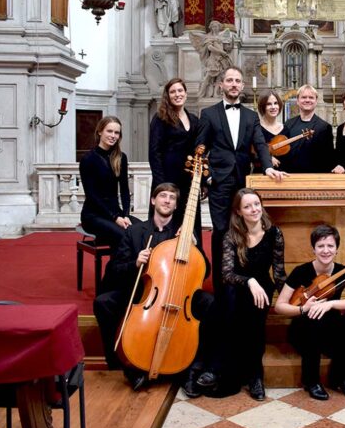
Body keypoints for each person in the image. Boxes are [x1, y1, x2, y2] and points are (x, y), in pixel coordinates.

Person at [93, 183, 217, 394]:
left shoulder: (183, 233)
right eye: (163, 196)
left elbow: (203, 271)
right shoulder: (134, 232)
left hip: (177, 296)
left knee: (209, 303)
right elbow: (113, 270)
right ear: (153, 201)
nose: (167, 200)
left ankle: (194, 367)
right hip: (142, 293)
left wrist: (194, 247)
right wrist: (136, 262)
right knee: (103, 303)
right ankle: (127, 365)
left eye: (172, 198)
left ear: (176, 205)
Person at [196, 66, 286, 295]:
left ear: (242, 86)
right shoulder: (208, 114)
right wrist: (207, 178)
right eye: (229, 80)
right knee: (220, 231)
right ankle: (220, 287)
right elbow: (199, 149)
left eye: (237, 80)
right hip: (219, 181)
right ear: (222, 85)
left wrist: (267, 168)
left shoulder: (250, 115)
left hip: (242, 182)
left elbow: (260, 144)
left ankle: (240, 280)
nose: (234, 84)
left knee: (242, 232)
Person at [274, 224, 345, 400]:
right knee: (314, 314)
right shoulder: (300, 271)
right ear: (313, 249)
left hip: (329, 332)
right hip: (304, 330)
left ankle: (342, 378)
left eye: (330, 246)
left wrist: (330, 304)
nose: (325, 250)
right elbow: (280, 306)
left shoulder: (342, 271)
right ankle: (312, 381)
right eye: (320, 246)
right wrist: (303, 308)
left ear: (337, 249)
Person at [218, 188, 286, 401]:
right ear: (239, 211)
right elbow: (227, 274)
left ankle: (255, 376)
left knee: (254, 311)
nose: (254, 209)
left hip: (262, 289)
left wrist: (290, 296)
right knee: (233, 303)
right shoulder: (231, 235)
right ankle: (231, 370)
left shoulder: (274, 233)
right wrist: (249, 281)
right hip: (238, 286)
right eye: (247, 206)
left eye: (256, 204)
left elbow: (279, 273)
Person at [149, 78, 202, 250]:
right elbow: (154, 153)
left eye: (180, 91)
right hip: (168, 179)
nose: (177, 94)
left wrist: (200, 181)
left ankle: (191, 260)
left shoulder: (194, 120)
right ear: (168, 95)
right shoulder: (160, 118)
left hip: (189, 179)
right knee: (168, 221)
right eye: (173, 92)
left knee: (190, 218)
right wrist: (161, 185)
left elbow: (199, 152)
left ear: (186, 93)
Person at [79, 116, 136, 253]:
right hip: (93, 215)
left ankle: (132, 272)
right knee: (124, 235)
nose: (113, 136)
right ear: (100, 132)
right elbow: (92, 196)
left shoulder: (121, 157)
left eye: (116, 133)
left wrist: (126, 215)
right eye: (109, 131)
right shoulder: (88, 159)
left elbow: (124, 190)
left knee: (142, 230)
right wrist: (115, 218)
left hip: (116, 213)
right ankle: (115, 272)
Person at [282, 84, 335, 173]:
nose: (307, 100)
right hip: (290, 175)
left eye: (311, 97)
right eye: (304, 97)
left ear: (316, 101)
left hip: (314, 176)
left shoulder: (324, 127)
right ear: (298, 101)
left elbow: (328, 158)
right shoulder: (288, 124)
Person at [189, 20, 233, 100]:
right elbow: (210, 48)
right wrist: (221, 52)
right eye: (214, 26)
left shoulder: (221, 36)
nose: (215, 28)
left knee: (219, 77)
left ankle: (216, 93)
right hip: (213, 59)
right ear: (211, 28)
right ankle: (201, 93)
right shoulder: (208, 37)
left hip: (221, 59)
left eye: (217, 26)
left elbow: (226, 48)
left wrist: (229, 45)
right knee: (208, 77)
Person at [257, 92, 287, 169]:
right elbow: (251, 152)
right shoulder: (256, 128)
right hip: (261, 175)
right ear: (262, 106)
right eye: (268, 104)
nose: (273, 107)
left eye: (276, 103)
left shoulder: (285, 128)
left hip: (284, 175)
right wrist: (267, 158)